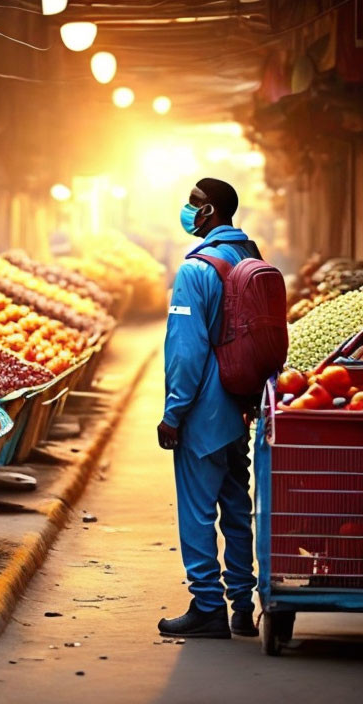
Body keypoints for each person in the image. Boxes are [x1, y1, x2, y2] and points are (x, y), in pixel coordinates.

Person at [156, 178, 259, 639]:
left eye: (193, 203)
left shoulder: (196, 270)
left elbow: (186, 351)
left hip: (203, 410)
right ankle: (242, 604)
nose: (186, 209)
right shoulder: (251, 258)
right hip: (242, 405)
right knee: (237, 504)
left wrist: (173, 413)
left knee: (198, 510)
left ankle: (207, 606)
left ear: (210, 211)